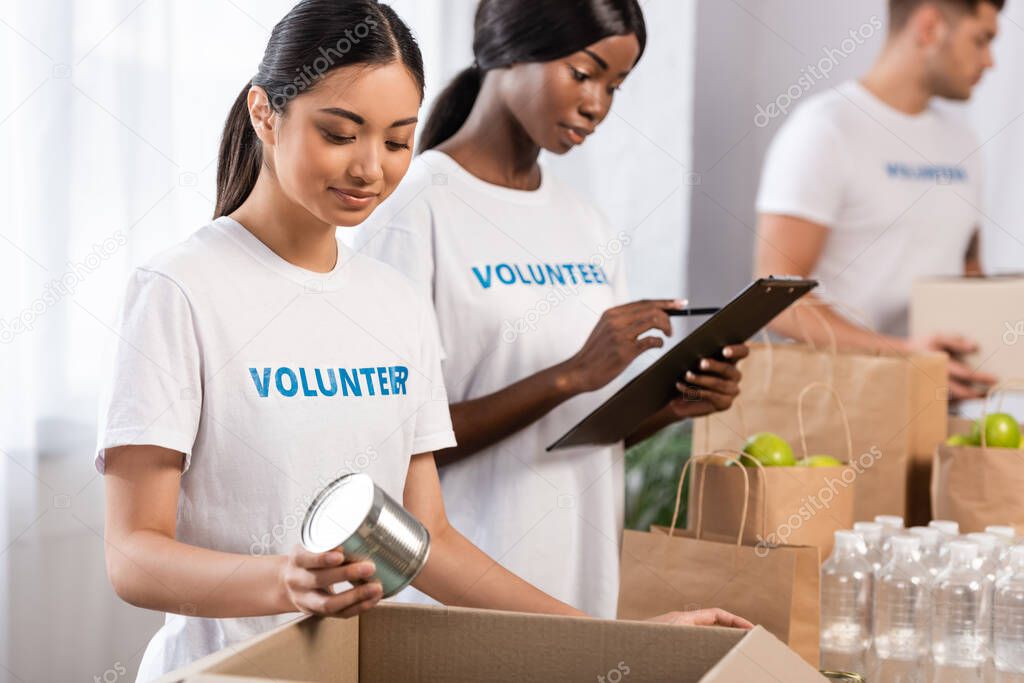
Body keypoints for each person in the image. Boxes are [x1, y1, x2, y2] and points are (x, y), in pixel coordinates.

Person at [97, 1, 750, 680]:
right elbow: (133, 554)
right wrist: (281, 580)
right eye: (340, 133)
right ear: (266, 113)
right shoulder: (180, 289)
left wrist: (624, 640)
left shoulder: (394, 303)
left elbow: (429, 540)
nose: (369, 169)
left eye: (397, 139)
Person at [355, 0, 748, 619]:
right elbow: (387, 449)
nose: (598, 105)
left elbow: (577, 434)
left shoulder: (587, 224)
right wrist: (569, 375)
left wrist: (670, 407)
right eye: (584, 73)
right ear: (511, 49)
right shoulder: (414, 210)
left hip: (577, 583)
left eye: (615, 86)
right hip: (461, 595)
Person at [754, 0, 1002, 400]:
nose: (989, 61)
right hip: (835, 410)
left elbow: (968, 273)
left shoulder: (964, 142)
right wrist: (901, 356)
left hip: (934, 408)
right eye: (981, 40)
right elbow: (775, 300)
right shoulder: (825, 129)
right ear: (930, 27)